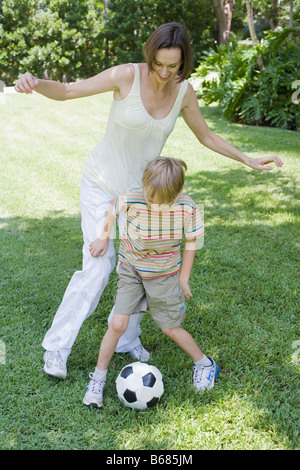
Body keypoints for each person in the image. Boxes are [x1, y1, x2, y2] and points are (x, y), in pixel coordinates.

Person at [14, 22, 283, 380]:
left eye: (173, 66)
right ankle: (57, 349)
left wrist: (248, 159)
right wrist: (35, 83)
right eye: (158, 64)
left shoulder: (183, 92)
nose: (163, 72)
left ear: (183, 62)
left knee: (143, 262)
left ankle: (126, 338)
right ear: (150, 56)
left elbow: (206, 136)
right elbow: (65, 91)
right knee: (98, 264)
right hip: (101, 184)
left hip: (143, 196)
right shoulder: (125, 75)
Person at [83, 157, 219, 408]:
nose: (155, 206)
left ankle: (205, 364)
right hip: (132, 269)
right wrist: (104, 238)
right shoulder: (132, 198)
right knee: (118, 323)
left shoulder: (188, 207)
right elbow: (113, 207)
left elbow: (191, 244)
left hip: (164, 274)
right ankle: (98, 380)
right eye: (150, 199)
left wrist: (184, 278)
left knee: (169, 327)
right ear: (144, 187)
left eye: (163, 203)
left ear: (179, 192)